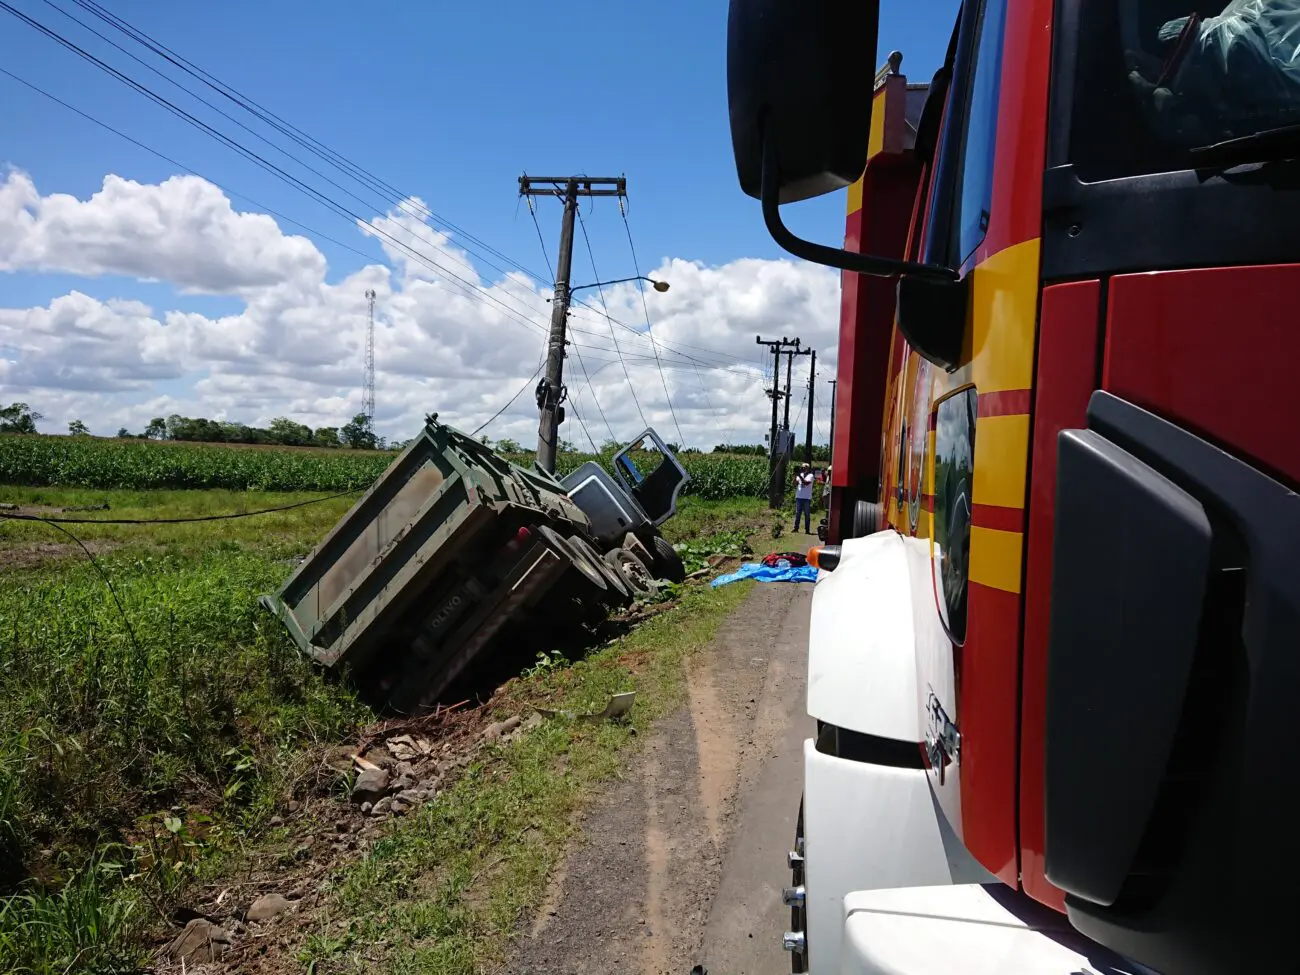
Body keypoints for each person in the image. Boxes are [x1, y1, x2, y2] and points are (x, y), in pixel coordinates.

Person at [793, 462, 815, 533]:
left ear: (808, 468)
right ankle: (796, 528)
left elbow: (806, 483)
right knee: (797, 513)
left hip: (807, 498)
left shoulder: (811, 475)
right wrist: (794, 476)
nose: (803, 468)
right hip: (799, 496)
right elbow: (794, 484)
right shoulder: (800, 475)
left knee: (807, 514)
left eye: (805, 467)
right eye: (802, 467)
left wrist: (799, 475)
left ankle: (807, 530)